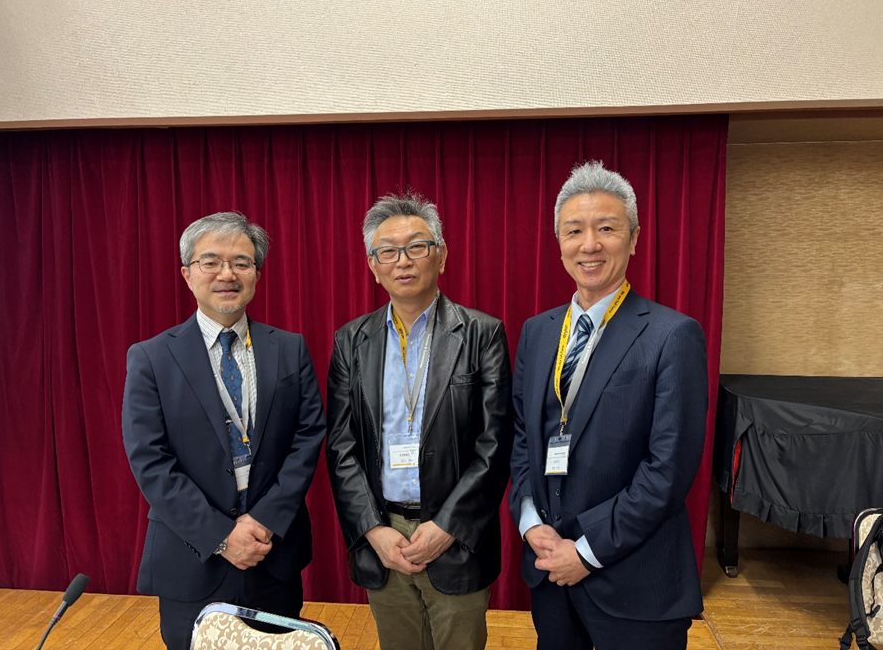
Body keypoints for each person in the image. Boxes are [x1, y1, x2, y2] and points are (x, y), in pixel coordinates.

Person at [509, 161, 708, 650]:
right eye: (574, 230)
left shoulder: (672, 335)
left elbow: (667, 471)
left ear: (634, 239)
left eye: (606, 229)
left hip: (635, 581)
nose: (589, 245)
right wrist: (531, 523)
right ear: (559, 242)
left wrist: (586, 551)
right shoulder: (537, 332)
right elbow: (522, 439)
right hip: (550, 573)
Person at [122, 212, 326, 650]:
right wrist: (221, 536)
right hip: (192, 556)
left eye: (241, 262)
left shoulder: (289, 348)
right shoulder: (151, 358)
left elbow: (308, 436)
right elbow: (150, 459)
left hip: (272, 553)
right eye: (211, 262)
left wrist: (265, 519)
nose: (227, 274)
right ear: (187, 274)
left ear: (257, 274)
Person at [325, 192, 513, 650]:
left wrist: (448, 526)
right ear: (373, 266)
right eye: (388, 251)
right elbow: (341, 446)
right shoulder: (351, 340)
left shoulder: (481, 333)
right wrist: (373, 530)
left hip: (455, 536)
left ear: (441, 256)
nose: (403, 261)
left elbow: (495, 443)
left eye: (416, 247)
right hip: (384, 534)